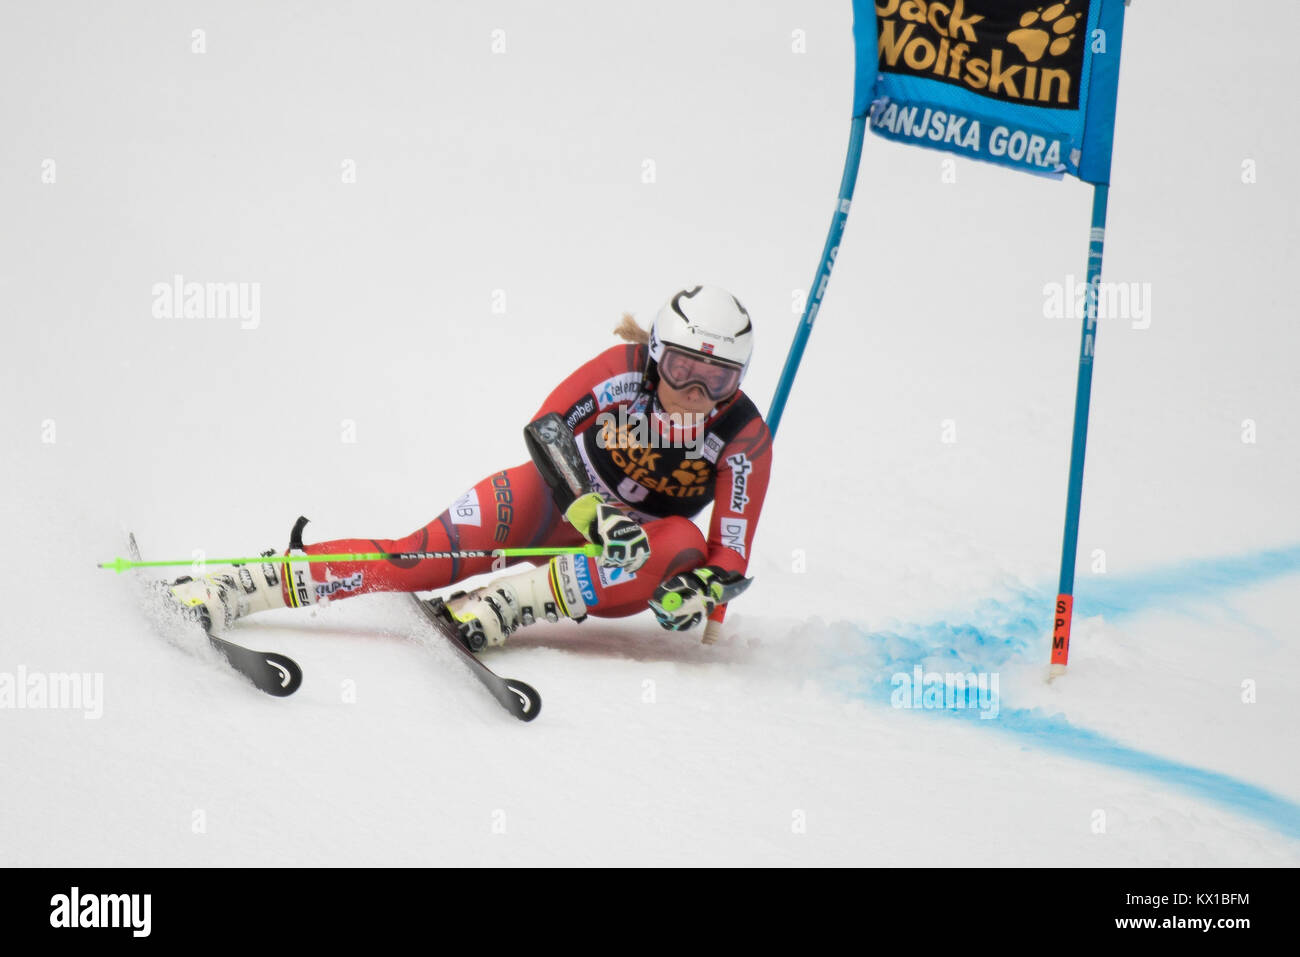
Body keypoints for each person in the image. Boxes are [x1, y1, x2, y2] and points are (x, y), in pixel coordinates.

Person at [166, 284, 773, 647]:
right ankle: (242, 586)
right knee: (417, 558)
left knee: (680, 544)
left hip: (623, 557)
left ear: (739, 380)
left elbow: (730, 551)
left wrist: (704, 588)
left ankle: (508, 603)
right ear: (657, 354)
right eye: (682, 369)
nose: (695, 392)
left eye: (716, 378)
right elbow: (548, 428)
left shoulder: (743, 435)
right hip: (557, 499)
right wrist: (594, 513)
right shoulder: (623, 366)